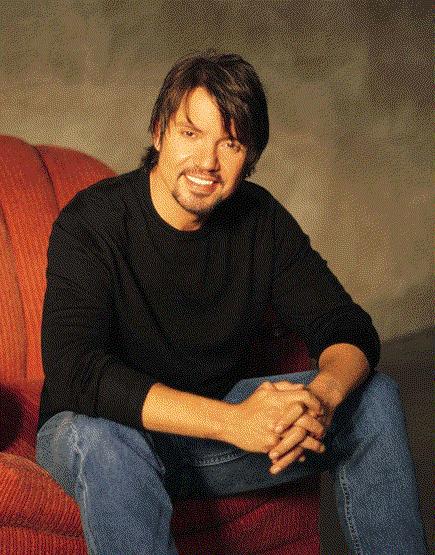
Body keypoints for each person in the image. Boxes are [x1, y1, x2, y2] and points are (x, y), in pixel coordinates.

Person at [36, 50, 428, 555]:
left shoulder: (260, 219)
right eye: (190, 133)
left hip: (209, 439)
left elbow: (344, 324)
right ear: (159, 132)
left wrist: (321, 398)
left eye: (230, 143)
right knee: (107, 444)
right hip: (101, 432)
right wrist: (236, 422)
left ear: (250, 158)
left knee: (372, 398)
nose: (207, 162)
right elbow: (76, 372)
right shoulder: (91, 222)